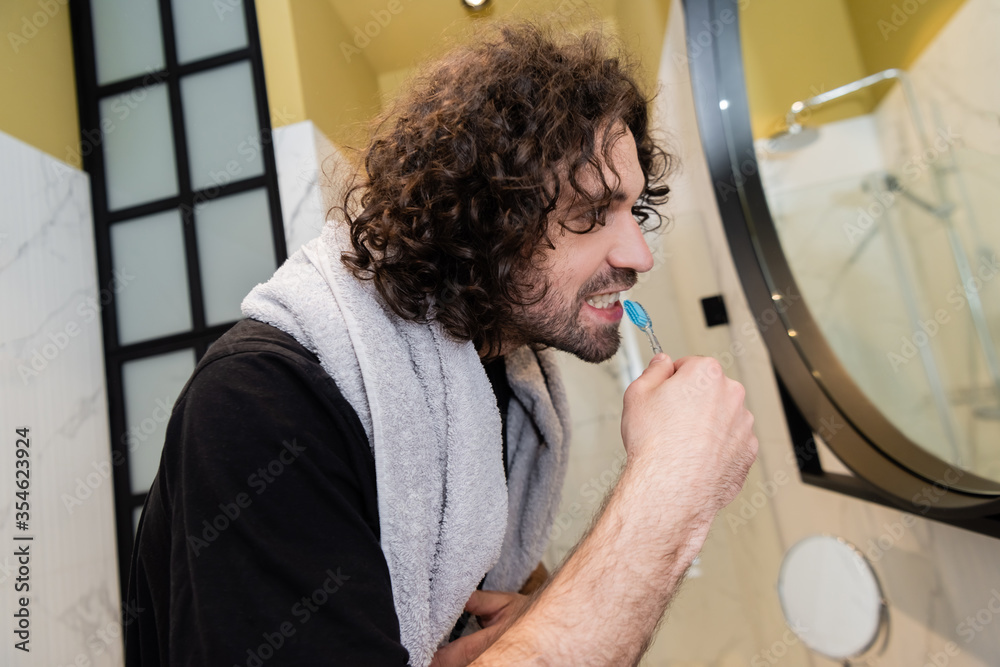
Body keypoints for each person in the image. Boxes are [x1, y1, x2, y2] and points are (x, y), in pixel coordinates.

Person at [124, 22, 757, 667]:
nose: (639, 255)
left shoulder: (503, 374)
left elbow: (465, 568)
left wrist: (537, 613)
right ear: (487, 220)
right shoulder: (258, 405)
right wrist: (669, 486)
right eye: (589, 214)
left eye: (635, 213)